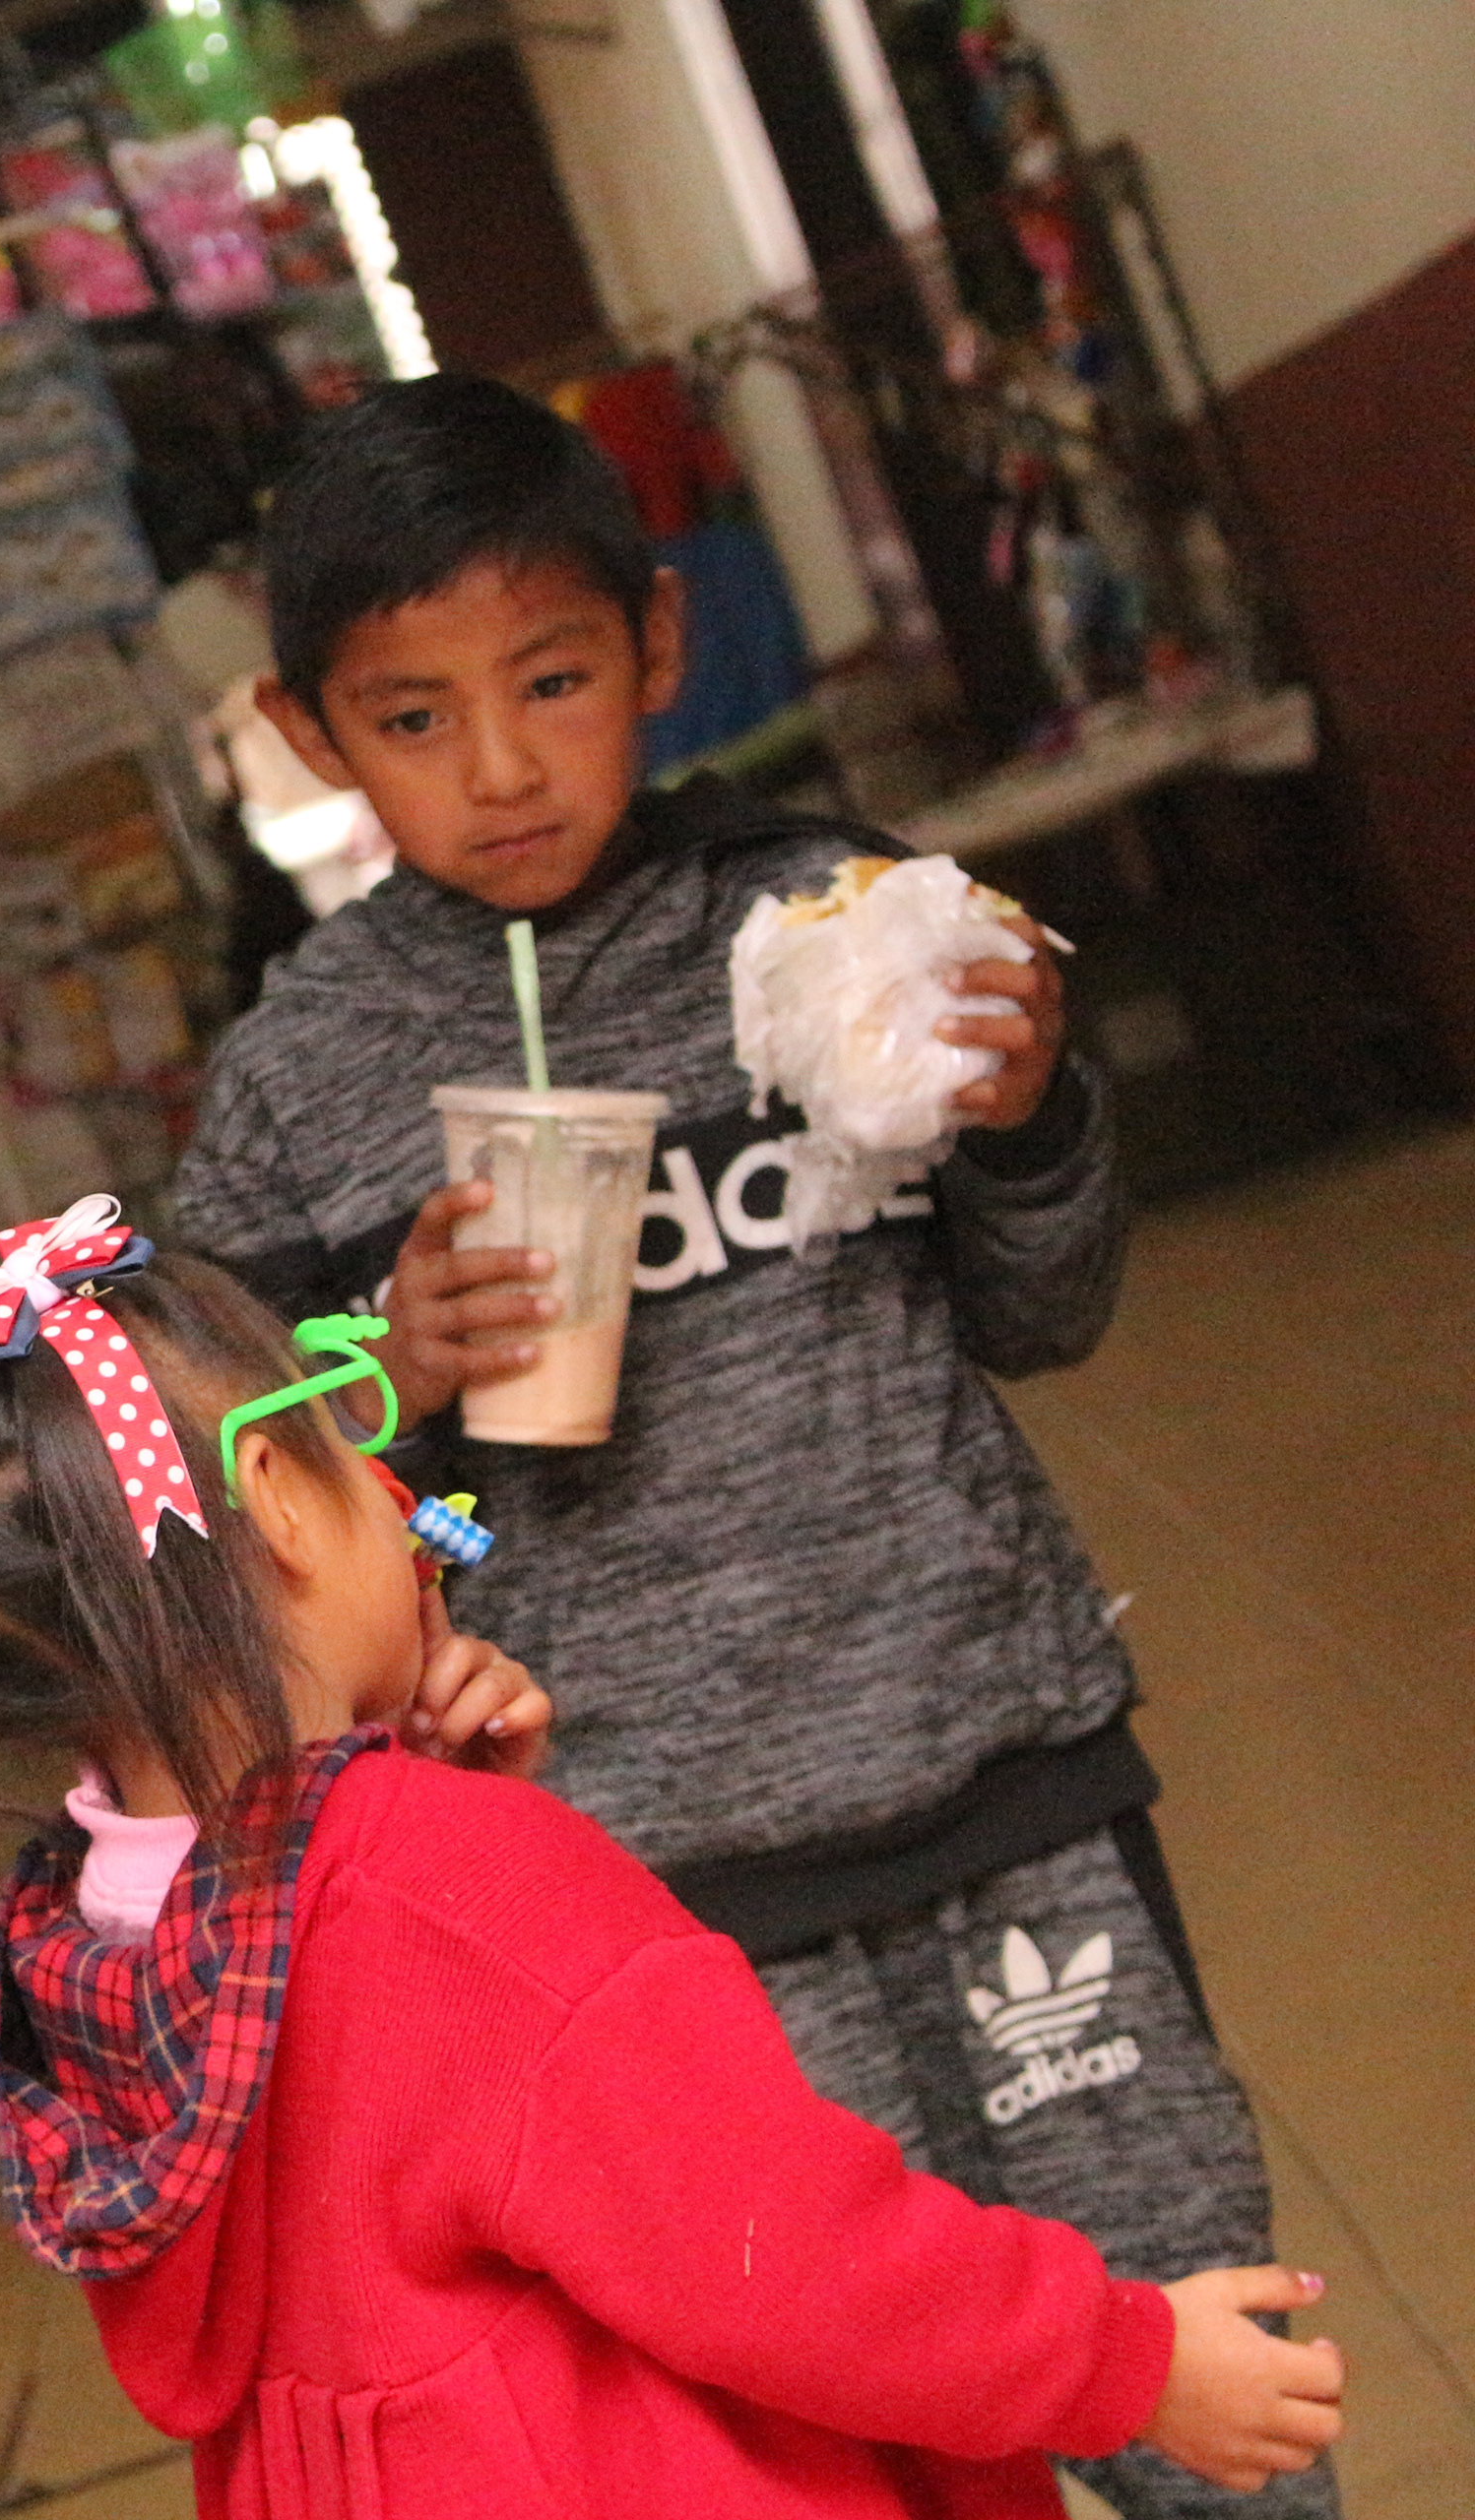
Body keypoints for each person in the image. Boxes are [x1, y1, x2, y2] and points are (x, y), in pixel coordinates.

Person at [168, 372, 1319, 2517]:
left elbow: (1046, 1313)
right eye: (413, 717)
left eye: (553, 680)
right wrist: (378, 1359)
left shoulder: (830, 923)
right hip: (645, 1892)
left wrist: (1028, 1114)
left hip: (995, 1774)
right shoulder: (298, 1078)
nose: (501, 768)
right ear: (308, 734)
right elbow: (216, 1494)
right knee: (850, 2416)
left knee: (1182, 2353)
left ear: (659, 645)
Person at [0, 1219, 1342, 2513]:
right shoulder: (458, 1892)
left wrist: (407, 1791)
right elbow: (787, 2260)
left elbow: (364, 2154)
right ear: (281, 1499)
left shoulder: (86, 1934)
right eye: (341, 1413)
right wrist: (1127, 2361)